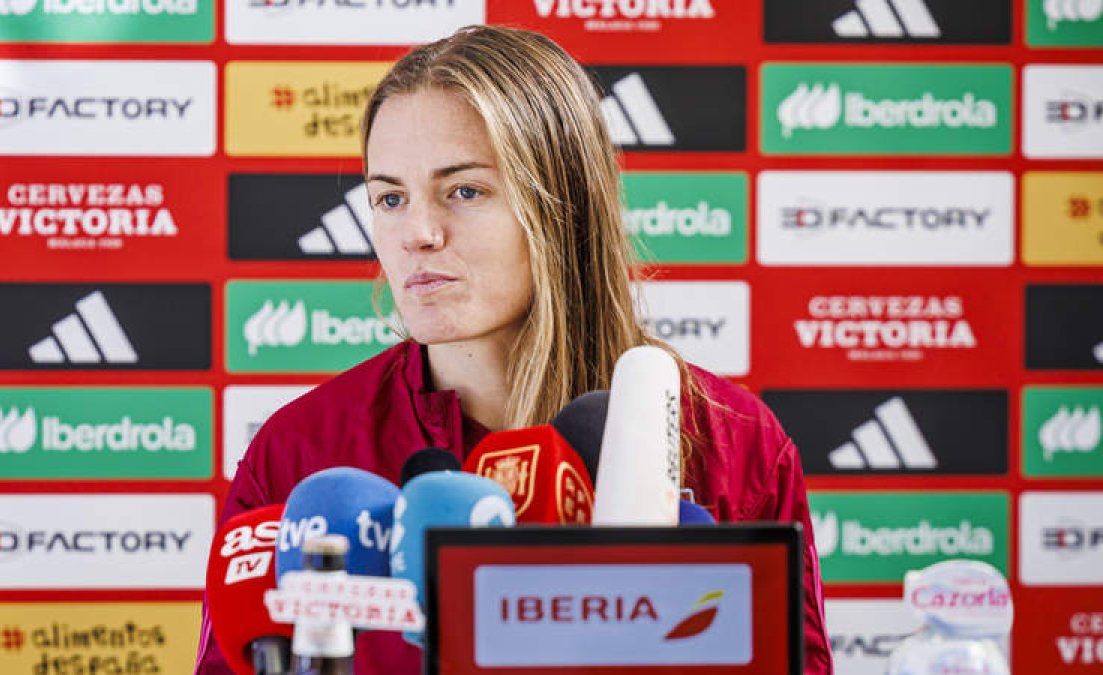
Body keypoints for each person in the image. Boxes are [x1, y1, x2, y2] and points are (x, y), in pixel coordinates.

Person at [196, 24, 833, 675]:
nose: (417, 232)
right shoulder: (299, 452)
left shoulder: (733, 441)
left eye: (464, 190)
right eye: (390, 197)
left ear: (563, 207)